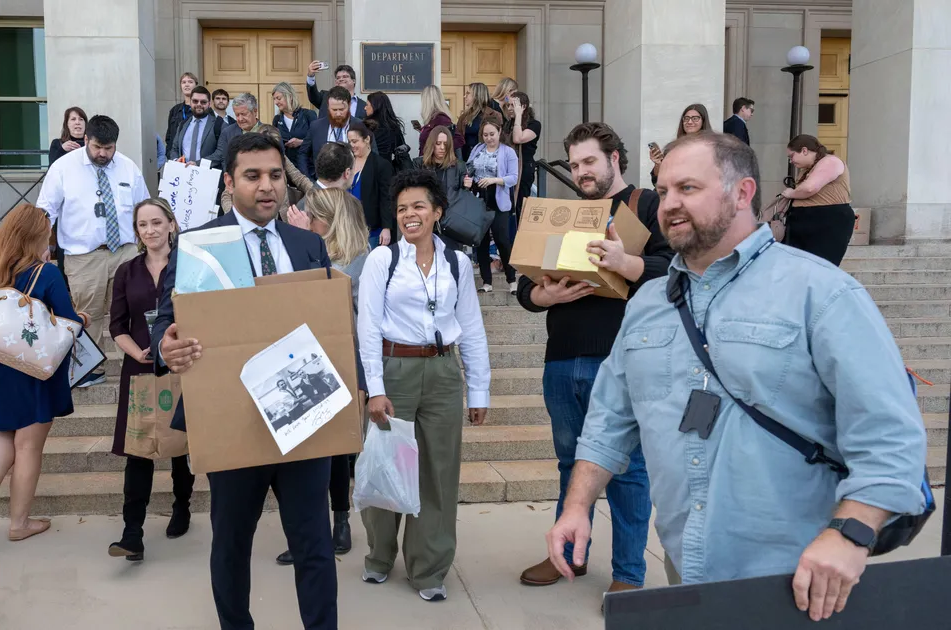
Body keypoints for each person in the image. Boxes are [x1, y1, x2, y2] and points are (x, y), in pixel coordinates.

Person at [545, 132, 928, 623]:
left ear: (743, 193)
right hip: (687, 570)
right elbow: (607, 421)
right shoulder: (647, 304)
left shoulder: (823, 293)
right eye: (663, 192)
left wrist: (850, 534)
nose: (670, 205)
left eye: (688, 188)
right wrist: (577, 505)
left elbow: (891, 436)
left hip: (801, 583)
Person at [154, 133, 338, 629]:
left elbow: (333, 325)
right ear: (229, 181)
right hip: (230, 419)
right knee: (232, 544)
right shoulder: (198, 245)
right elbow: (164, 322)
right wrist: (165, 347)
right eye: (253, 176)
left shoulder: (308, 245)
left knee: (314, 546)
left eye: (276, 175)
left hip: (303, 417)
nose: (267, 187)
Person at [515, 121, 672, 601]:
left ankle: (629, 572)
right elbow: (524, 288)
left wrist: (628, 264)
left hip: (621, 361)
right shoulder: (563, 214)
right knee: (570, 462)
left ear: (614, 160)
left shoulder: (645, 206)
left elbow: (675, 267)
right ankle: (569, 554)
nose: (582, 171)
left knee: (627, 469)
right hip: (562, 358)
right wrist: (545, 294)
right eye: (575, 163)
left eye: (590, 162)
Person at [357, 168, 491, 602]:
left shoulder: (457, 263)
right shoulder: (383, 259)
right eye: (401, 209)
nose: (409, 215)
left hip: (443, 374)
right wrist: (374, 387)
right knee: (386, 464)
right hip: (394, 370)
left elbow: (470, 327)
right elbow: (368, 327)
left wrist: (480, 389)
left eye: (418, 206)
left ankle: (429, 566)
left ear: (436, 211)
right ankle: (379, 555)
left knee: (438, 473)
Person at [0, 202, 86, 541]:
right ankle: (19, 524)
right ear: (36, 237)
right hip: (35, 367)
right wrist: (81, 320)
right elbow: (68, 319)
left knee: (4, 431)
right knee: (29, 446)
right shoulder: (47, 273)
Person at [278, 187, 372, 565]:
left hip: (341, 362)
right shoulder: (301, 252)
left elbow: (342, 300)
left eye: (312, 218)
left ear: (331, 223)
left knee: (335, 452)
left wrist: (310, 246)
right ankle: (308, 532)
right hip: (302, 360)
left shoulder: (362, 260)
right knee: (306, 455)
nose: (305, 223)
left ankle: (340, 520)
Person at [107, 198, 196, 561]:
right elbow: (116, 324)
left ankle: (182, 506)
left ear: (172, 225)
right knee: (139, 451)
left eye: (157, 222)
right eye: (143, 225)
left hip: (181, 365)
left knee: (180, 447)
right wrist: (136, 352)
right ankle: (133, 532)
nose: (150, 230)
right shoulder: (126, 272)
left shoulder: (189, 265)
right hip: (140, 368)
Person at [37, 114, 149, 389]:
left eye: (109, 148)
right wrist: (40, 244)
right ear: (85, 139)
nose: (103, 154)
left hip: (125, 252)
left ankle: (133, 365)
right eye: (98, 147)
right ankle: (91, 368)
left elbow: (143, 206)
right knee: (88, 313)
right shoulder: (64, 168)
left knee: (132, 310)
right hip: (84, 255)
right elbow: (45, 210)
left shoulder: (128, 168)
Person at [214, 93, 313, 214]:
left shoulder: (270, 132)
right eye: (237, 115)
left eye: (243, 114)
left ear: (255, 112)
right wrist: (235, 216)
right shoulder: (230, 138)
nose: (239, 119)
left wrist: (318, 196)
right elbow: (227, 191)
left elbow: (298, 177)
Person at [782, 134, 855, 266]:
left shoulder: (830, 161)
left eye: (791, 156)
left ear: (804, 150)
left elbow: (810, 188)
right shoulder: (809, 168)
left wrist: (791, 193)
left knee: (820, 268)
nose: (791, 161)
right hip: (807, 223)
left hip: (826, 222)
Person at [465, 119, 518, 294]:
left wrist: (495, 180)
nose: (489, 138)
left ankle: (512, 279)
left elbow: (513, 178)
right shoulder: (477, 149)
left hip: (498, 198)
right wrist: (468, 180)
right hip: (479, 197)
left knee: (502, 239)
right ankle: (486, 282)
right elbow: (469, 169)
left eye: (492, 134)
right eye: (486, 135)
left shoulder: (508, 152)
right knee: (481, 241)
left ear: (499, 131)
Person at [420, 125, 469, 252]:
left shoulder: (459, 166)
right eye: (438, 143)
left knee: (452, 259)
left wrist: (467, 185)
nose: (442, 147)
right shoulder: (421, 165)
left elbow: (463, 196)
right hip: (429, 220)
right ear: (432, 144)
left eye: (445, 144)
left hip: (451, 222)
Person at [348, 119, 395, 247]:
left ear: (367, 139)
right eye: (350, 142)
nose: (352, 145)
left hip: (371, 230)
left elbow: (386, 198)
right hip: (348, 229)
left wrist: (386, 228)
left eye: (355, 141)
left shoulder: (381, 165)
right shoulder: (347, 163)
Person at [501, 91, 541, 225]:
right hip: (508, 169)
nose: (510, 109)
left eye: (513, 105)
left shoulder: (534, 124)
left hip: (524, 169)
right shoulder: (508, 124)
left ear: (523, 106)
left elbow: (518, 138)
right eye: (508, 105)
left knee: (520, 204)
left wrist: (518, 116)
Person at [650, 103, 713, 186]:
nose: (690, 122)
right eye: (686, 118)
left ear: (703, 121)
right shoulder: (672, 148)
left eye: (695, 118)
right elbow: (657, 180)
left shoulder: (712, 147)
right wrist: (658, 164)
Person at [168, 86, 224, 165]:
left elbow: (220, 153)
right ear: (190, 102)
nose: (199, 104)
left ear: (209, 104)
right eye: (195, 101)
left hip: (207, 174)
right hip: (184, 172)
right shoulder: (182, 124)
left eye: (203, 102)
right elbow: (174, 148)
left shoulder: (219, 124)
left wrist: (198, 164)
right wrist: (176, 160)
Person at [456, 82, 503, 163]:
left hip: (487, 158)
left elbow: (500, 139)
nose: (465, 96)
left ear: (477, 95)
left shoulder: (494, 115)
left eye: (468, 93)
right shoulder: (464, 117)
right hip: (466, 158)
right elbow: (458, 139)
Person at [273, 82, 317, 166]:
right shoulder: (277, 119)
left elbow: (318, 140)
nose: (276, 102)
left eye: (278, 98)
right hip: (286, 169)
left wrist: (301, 142)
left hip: (307, 168)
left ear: (289, 96)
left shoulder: (308, 115)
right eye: (274, 99)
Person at [418, 85, 463, 155]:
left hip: (436, 164)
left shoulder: (440, 118)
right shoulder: (432, 119)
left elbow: (459, 140)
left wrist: (438, 150)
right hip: (427, 162)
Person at [164, 72, 200, 158]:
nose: (186, 85)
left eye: (190, 82)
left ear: (196, 85)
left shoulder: (202, 109)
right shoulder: (175, 110)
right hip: (176, 157)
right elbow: (169, 137)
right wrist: (170, 155)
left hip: (195, 158)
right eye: (184, 82)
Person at [364, 91, 406, 162]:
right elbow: (401, 148)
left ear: (375, 106)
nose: (365, 108)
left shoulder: (366, 126)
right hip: (387, 167)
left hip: (368, 167)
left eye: (367, 105)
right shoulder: (393, 126)